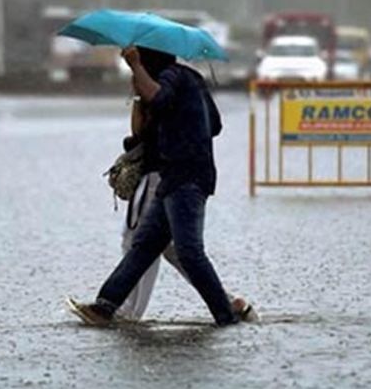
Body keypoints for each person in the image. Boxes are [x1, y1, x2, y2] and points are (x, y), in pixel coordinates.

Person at [70, 46, 243, 327]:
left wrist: (136, 67)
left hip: (187, 178)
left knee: (189, 252)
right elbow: (213, 125)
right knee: (144, 245)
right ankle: (104, 307)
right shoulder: (189, 80)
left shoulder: (174, 76)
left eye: (141, 59)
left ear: (150, 59)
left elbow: (160, 98)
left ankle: (226, 315)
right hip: (173, 177)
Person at [117, 87, 257, 322]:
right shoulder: (183, 86)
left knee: (139, 241)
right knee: (170, 248)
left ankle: (128, 310)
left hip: (160, 176)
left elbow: (141, 132)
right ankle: (228, 301)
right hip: (174, 175)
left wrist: (139, 98)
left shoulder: (159, 88)